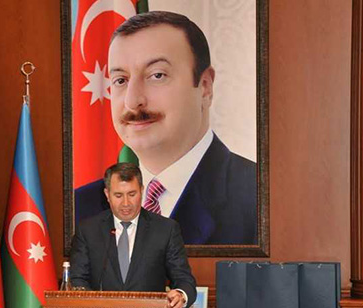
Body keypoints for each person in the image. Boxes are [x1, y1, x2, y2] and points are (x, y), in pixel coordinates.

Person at [75, 11, 257, 245]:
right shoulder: (81, 208)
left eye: (157, 75)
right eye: (120, 80)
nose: (132, 101)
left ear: (204, 86)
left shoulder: (261, 199)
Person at [70, 162, 197, 308]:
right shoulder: (88, 230)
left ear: (142, 191)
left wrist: (180, 294)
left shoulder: (165, 229)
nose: (126, 203)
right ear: (107, 194)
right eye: (118, 195)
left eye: (132, 194)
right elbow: (78, 279)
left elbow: (184, 279)